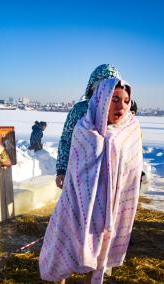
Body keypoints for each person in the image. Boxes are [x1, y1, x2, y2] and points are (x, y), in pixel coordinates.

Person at [39, 78, 143, 284]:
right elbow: (77, 172)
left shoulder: (130, 130)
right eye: (114, 99)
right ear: (101, 100)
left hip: (111, 206)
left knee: (99, 254)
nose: (121, 105)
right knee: (66, 246)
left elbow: (131, 169)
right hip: (78, 204)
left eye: (125, 100)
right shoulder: (84, 129)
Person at [55, 64, 122, 189]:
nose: (105, 92)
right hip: (81, 174)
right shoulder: (80, 110)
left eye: (110, 87)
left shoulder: (121, 111)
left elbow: (127, 144)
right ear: (92, 87)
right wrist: (61, 170)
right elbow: (66, 139)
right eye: (100, 86)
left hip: (111, 178)